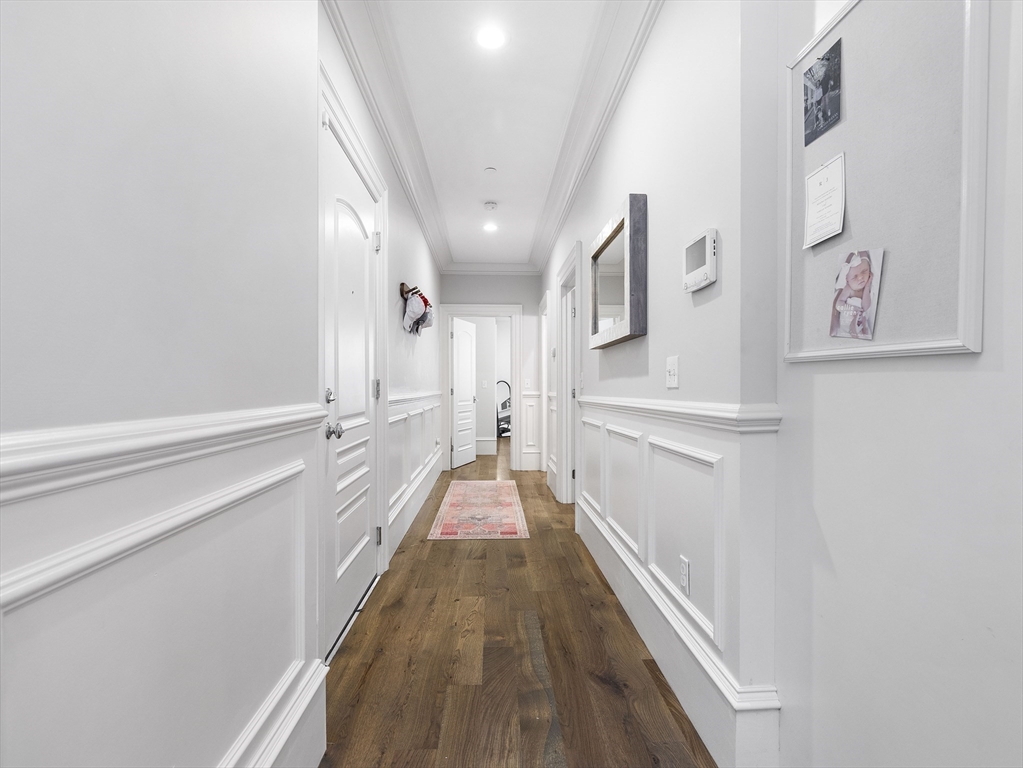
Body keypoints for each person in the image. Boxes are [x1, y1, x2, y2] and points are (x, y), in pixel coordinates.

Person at [831, 251, 874, 339]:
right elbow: (838, 305)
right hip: (848, 318)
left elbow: (866, 307)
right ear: (847, 280)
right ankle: (852, 328)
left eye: (864, 271)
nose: (861, 277)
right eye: (854, 277)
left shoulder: (867, 289)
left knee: (865, 326)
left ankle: (857, 330)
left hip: (860, 322)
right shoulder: (848, 288)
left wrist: (867, 286)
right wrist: (852, 309)